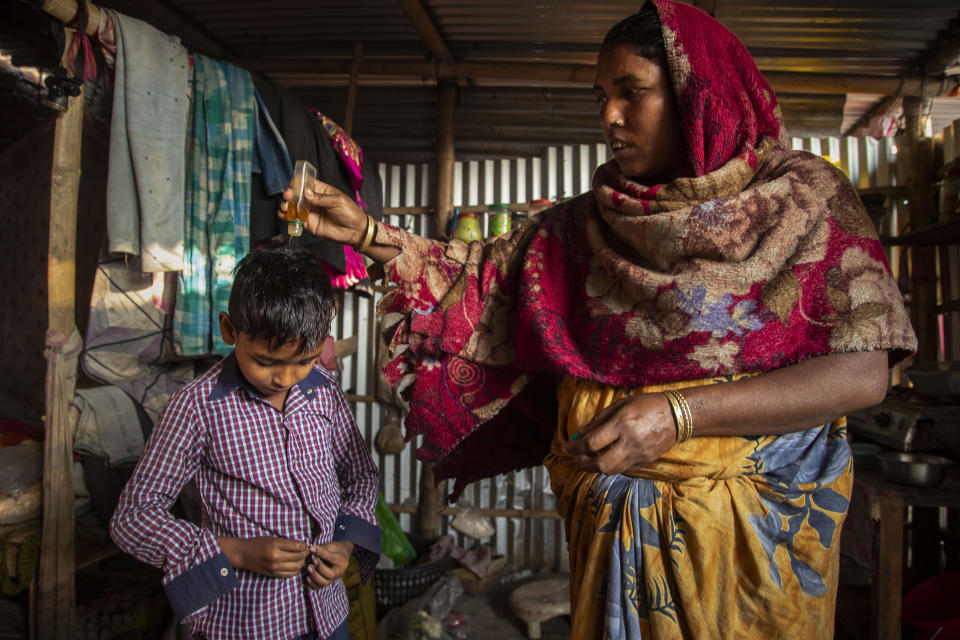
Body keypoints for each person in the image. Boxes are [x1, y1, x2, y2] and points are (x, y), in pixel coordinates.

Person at [282, 1, 916, 637]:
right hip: (611, 541)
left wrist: (679, 416)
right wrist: (365, 232)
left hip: (750, 551)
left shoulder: (804, 200)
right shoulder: (587, 224)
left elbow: (861, 375)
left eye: (631, 92)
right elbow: (481, 277)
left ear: (701, 97)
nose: (609, 117)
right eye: (601, 97)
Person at [110, 246, 381, 640]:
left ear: (322, 342)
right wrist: (237, 552)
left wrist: (345, 545)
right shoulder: (197, 406)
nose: (285, 378)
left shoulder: (324, 392)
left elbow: (361, 476)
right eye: (267, 362)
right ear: (229, 330)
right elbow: (132, 519)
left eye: (303, 359)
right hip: (246, 622)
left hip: (327, 616)